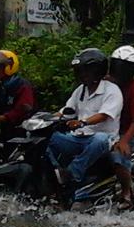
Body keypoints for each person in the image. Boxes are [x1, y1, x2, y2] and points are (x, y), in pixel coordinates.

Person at [47, 48, 124, 193]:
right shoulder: (80, 90)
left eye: (86, 71)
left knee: (100, 139)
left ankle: (72, 173)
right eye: (80, 71)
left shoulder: (112, 91)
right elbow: (66, 111)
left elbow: (104, 115)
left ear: (97, 71)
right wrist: (45, 119)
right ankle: (55, 173)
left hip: (104, 141)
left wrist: (83, 122)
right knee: (48, 138)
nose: (83, 75)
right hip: (78, 138)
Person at [106, 45, 134, 210]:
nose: (120, 71)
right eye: (118, 66)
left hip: (130, 135)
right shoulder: (106, 82)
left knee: (118, 155)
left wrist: (124, 141)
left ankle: (126, 192)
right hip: (108, 131)